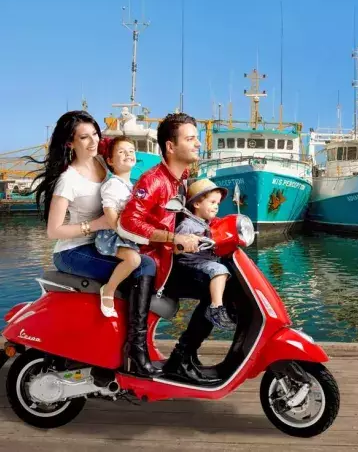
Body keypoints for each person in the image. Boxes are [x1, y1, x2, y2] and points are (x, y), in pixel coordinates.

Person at [32, 110, 158, 377]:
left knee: (151, 262)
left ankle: (123, 345)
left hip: (105, 243)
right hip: (74, 251)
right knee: (141, 266)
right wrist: (96, 224)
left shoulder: (103, 161)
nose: (92, 142)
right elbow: (53, 231)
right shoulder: (69, 179)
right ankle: (135, 350)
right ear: (70, 143)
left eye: (95, 135)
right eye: (84, 137)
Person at [119, 112, 234, 385]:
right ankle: (145, 351)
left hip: (175, 259)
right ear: (171, 147)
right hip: (155, 262)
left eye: (197, 138)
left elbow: (188, 217)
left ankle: (184, 355)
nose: (198, 144)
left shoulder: (181, 179)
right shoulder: (153, 180)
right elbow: (128, 221)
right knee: (218, 289)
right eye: (191, 138)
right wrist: (171, 238)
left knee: (229, 286)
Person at [174, 179, 235, 330]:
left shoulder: (208, 224)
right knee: (219, 270)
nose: (216, 206)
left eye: (218, 204)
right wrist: (188, 244)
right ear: (196, 204)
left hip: (205, 261)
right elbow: (175, 249)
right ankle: (216, 308)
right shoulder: (188, 225)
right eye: (212, 202)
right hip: (191, 263)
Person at [94, 136, 142, 318]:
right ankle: (108, 290)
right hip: (114, 235)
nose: (127, 154)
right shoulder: (113, 184)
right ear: (110, 160)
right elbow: (110, 211)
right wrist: (121, 231)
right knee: (133, 260)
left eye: (131, 151)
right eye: (121, 152)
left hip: (130, 233)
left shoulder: (132, 185)